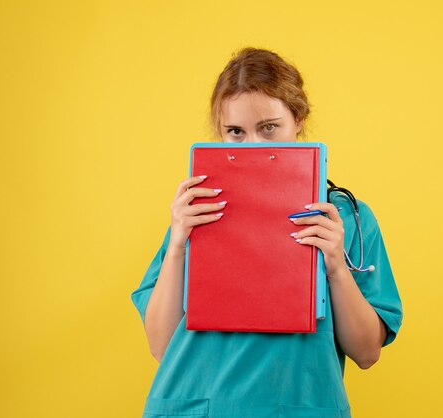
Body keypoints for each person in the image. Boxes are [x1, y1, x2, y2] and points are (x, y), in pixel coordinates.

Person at [131, 47, 403, 418]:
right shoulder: (196, 214)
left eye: (269, 128)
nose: (253, 145)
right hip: (194, 406)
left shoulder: (345, 220)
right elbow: (162, 346)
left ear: (298, 121)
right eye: (236, 132)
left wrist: (336, 265)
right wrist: (178, 243)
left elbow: (367, 352)